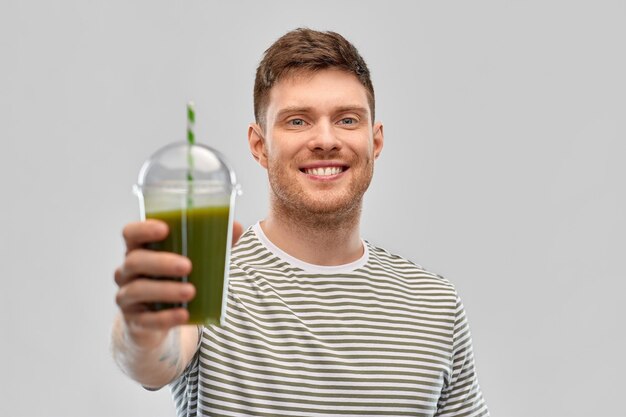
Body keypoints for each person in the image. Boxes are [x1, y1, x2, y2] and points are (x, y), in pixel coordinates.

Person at [112, 28, 489, 417]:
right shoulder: (210, 279)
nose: (325, 139)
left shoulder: (436, 304)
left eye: (346, 120)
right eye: (297, 121)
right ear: (260, 146)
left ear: (375, 142)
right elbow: (153, 360)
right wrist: (143, 325)